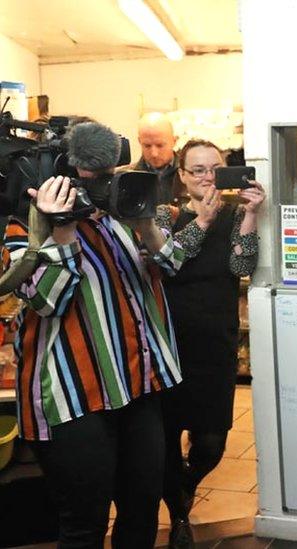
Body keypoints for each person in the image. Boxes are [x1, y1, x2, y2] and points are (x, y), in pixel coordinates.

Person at [2, 121, 184, 548]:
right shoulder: (20, 230)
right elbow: (47, 302)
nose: (99, 187)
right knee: (85, 525)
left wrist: (145, 225)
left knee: (141, 515)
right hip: (75, 398)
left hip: (139, 386)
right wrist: (61, 230)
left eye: (106, 177)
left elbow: (171, 265)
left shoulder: (123, 212)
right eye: (89, 179)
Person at [155, 139, 264, 548]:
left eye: (213, 168)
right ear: (182, 176)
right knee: (166, 438)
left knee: (213, 441)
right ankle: (180, 514)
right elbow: (169, 263)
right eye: (196, 169)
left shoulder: (237, 215)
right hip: (169, 346)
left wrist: (251, 214)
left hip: (215, 343)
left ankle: (187, 482)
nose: (206, 177)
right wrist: (200, 222)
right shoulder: (165, 217)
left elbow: (241, 265)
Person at [131, 112, 184, 206]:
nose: (154, 153)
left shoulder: (191, 174)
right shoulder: (128, 177)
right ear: (139, 141)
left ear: (174, 141)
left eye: (160, 145)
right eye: (147, 146)